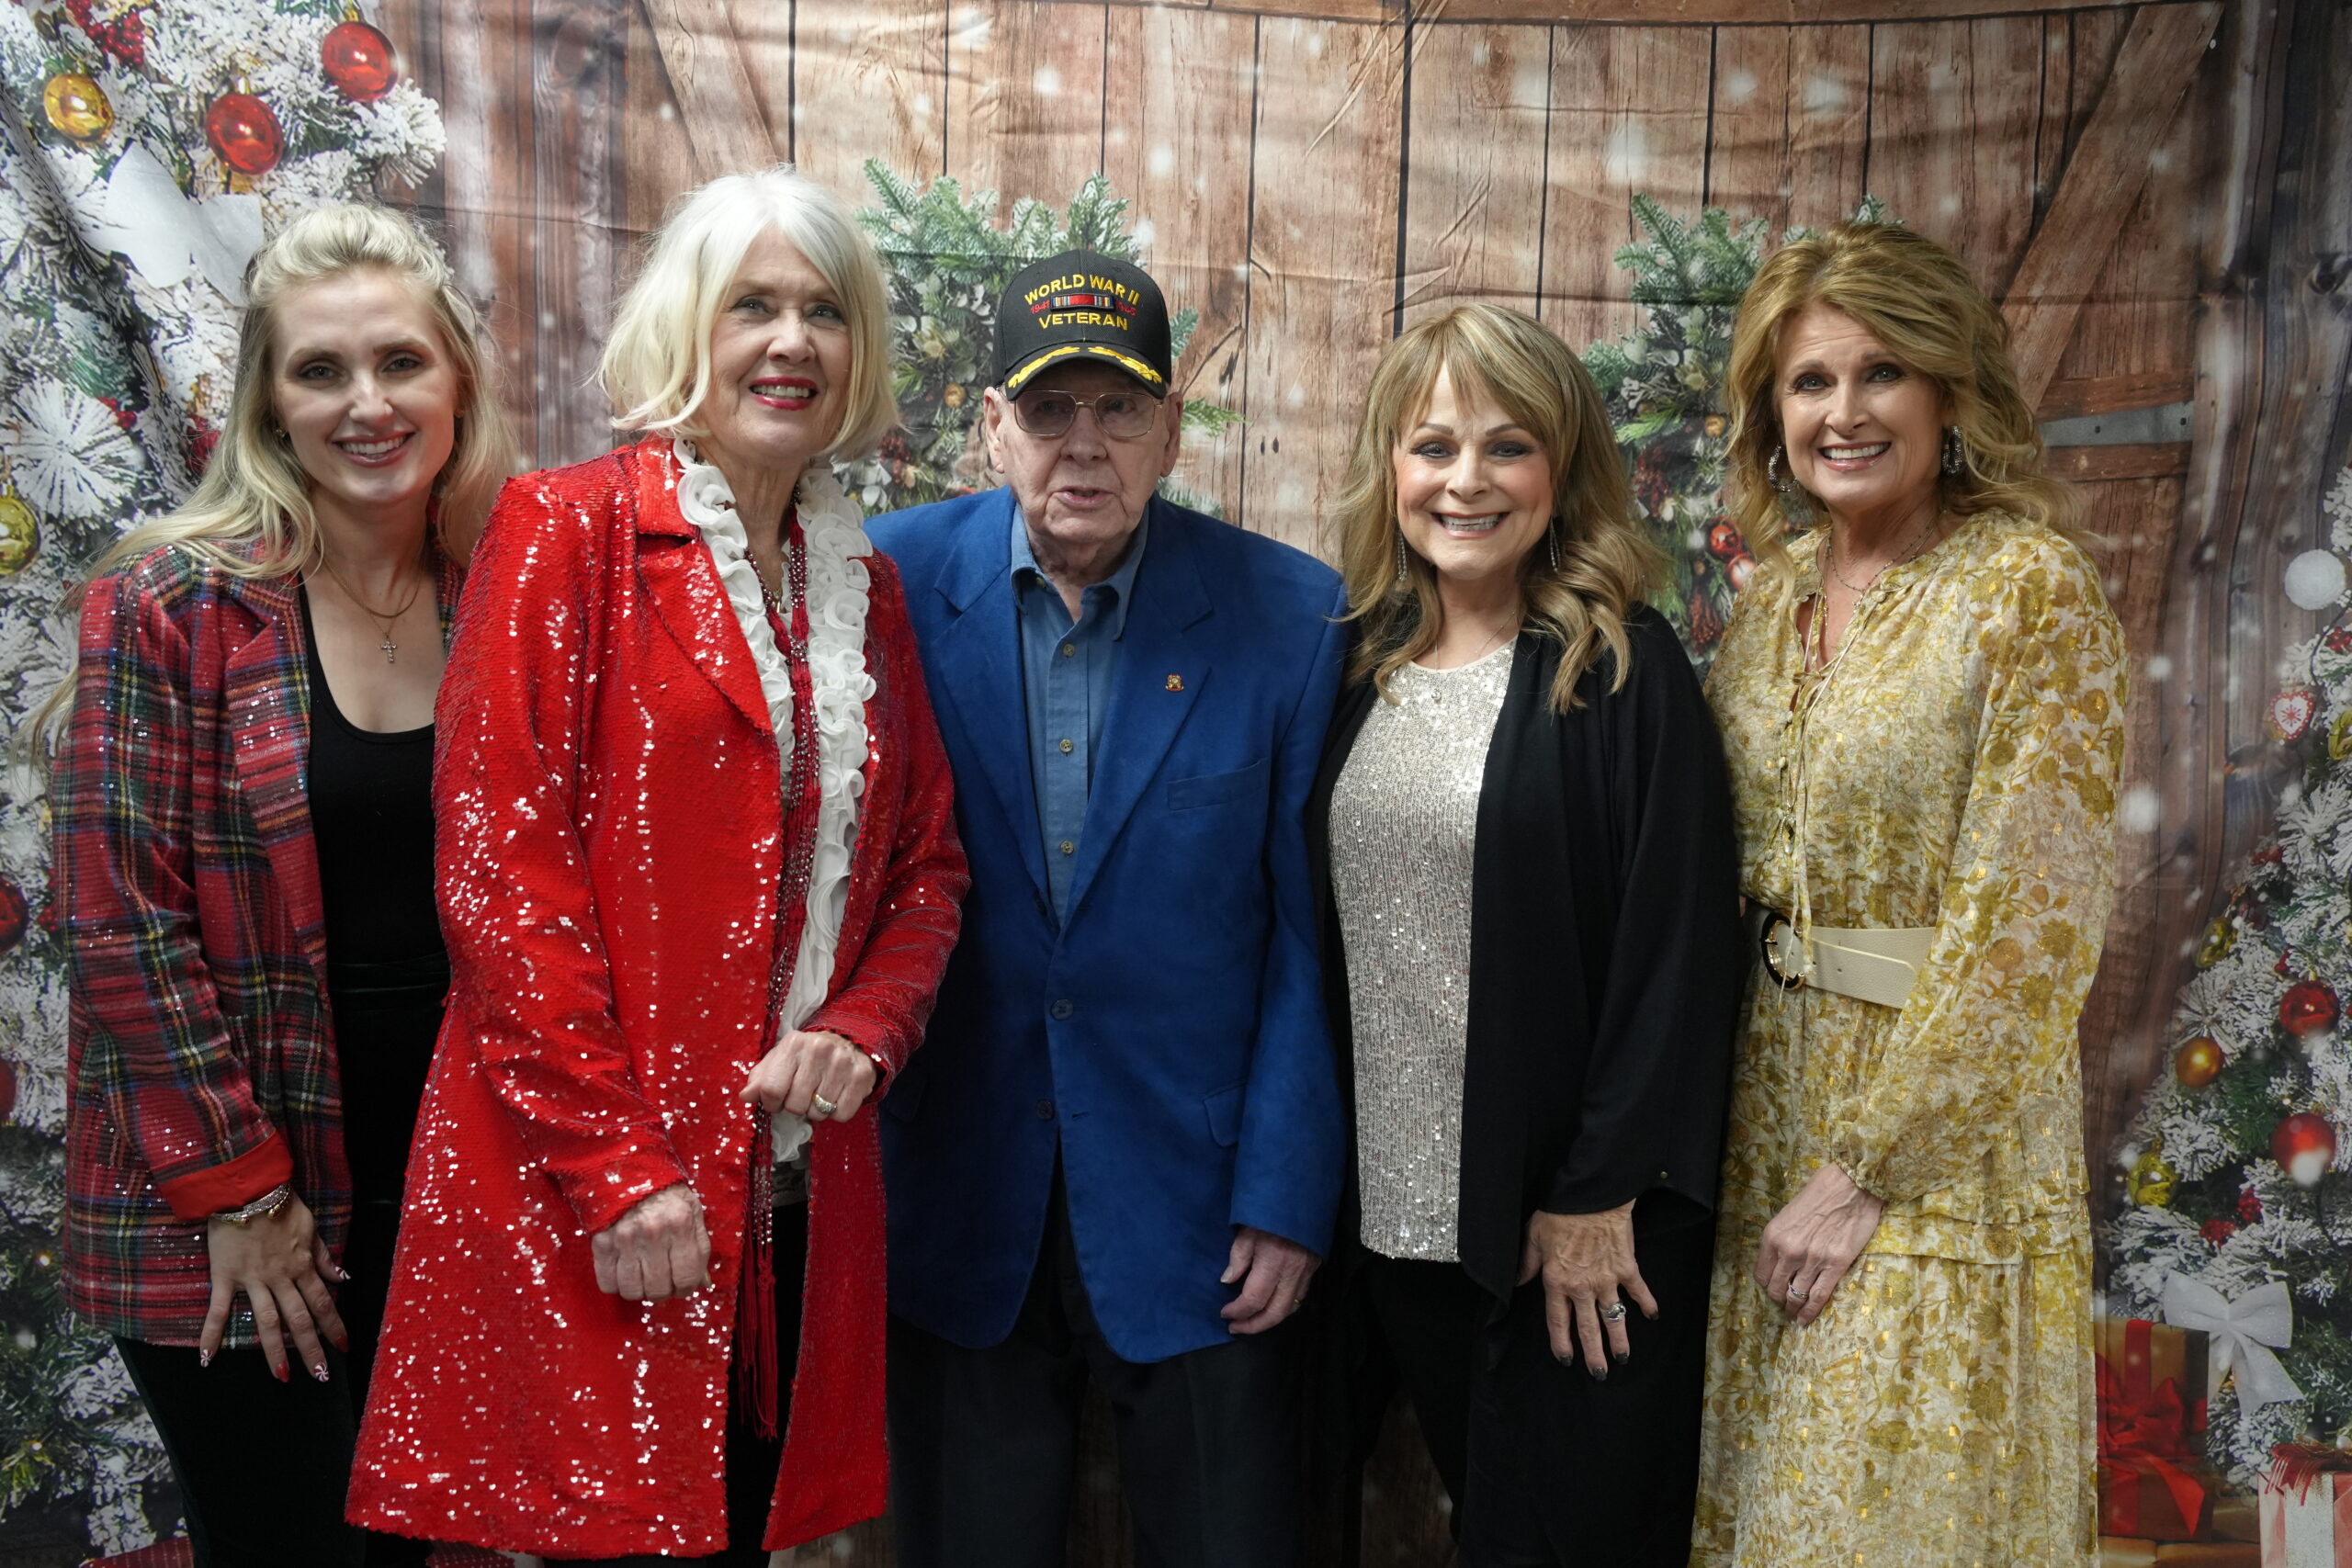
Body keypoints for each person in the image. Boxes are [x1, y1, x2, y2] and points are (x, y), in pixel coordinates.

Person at [345, 166, 967, 1564]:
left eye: (826, 311)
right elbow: (501, 884)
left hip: (791, 1197)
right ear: (688, 327)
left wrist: (867, 1026)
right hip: (594, 1192)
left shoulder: (861, 583)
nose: (792, 342)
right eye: (753, 306)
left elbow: (926, 866)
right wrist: (618, 1169)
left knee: (744, 1537)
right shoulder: (564, 531)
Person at [47, 201, 514, 1567]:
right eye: (322, 371)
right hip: (232, 1177)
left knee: (413, 1543)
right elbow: (118, 922)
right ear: (269, 403)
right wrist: (242, 1193)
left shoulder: (500, 592)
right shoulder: (172, 603)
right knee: (289, 1544)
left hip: (444, 1170)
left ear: (456, 383)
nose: (368, 404)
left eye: (400, 362)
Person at [865, 250, 1348, 1568]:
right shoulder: (885, 583)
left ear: (1171, 428)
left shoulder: (1290, 614)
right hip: (955, 1186)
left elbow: (1305, 940)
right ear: (992, 424)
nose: (1084, 444)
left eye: (1120, 408)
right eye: (1048, 408)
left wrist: (1288, 1192)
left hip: (1206, 1211)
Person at [1690, 222, 2125, 1567]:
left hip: (1940, 1151)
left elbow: (2032, 927)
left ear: (1950, 391)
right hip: (1761, 1124)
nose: (1845, 412)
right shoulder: (1767, 605)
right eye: (1810, 382)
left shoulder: (2027, 593)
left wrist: (1869, 1170)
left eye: (1882, 373)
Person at [1306, 303, 1742, 1565]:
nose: (1468, 481)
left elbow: (1677, 956)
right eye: (1433, 446)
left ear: (1563, 468)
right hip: (1386, 1225)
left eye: (1508, 446)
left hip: (1562, 1238)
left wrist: (1599, 1190)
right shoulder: (1357, 666)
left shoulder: (1621, 670)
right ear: (1391, 467)